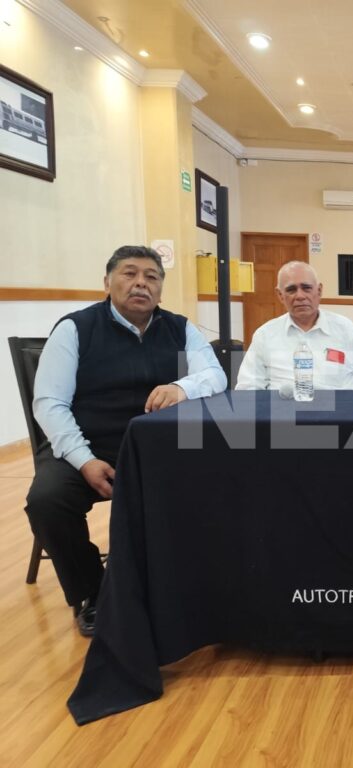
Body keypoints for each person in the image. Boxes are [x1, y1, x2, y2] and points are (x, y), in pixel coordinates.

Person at [27, 245, 227, 636]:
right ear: (107, 282)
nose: (140, 283)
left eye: (151, 277)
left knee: (225, 478)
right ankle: (94, 592)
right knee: (47, 501)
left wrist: (183, 387)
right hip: (88, 447)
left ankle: (195, 586)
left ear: (161, 288)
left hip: (159, 449)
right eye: (129, 273)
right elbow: (49, 403)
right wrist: (84, 460)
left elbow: (215, 375)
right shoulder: (75, 329)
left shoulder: (180, 328)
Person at [236, 261, 353, 391]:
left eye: (306, 288)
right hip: (283, 412)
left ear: (319, 290)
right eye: (291, 290)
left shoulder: (346, 330)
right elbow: (248, 386)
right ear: (280, 295)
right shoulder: (265, 335)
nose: (300, 296)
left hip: (342, 412)